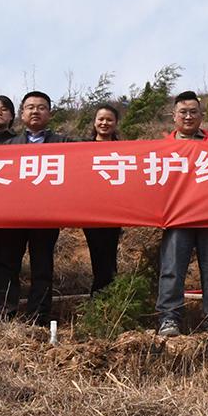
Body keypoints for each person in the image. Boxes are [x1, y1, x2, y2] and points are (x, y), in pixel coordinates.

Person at [0, 91, 73, 326]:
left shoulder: (65, 144)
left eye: (41, 107)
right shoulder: (8, 146)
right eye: (30, 107)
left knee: (42, 265)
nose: (35, 111)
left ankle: (39, 316)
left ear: (50, 113)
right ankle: (4, 314)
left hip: (46, 215)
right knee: (7, 264)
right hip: (13, 215)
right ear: (21, 113)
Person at [156, 91, 208, 336]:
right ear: (174, 116)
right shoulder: (162, 149)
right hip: (178, 217)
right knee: (172, 269)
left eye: (193, 112)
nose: (188, 116)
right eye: (183, 112)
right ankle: (169, 319)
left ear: (201, 115)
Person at [83, 104, 124, 294]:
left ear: (116, 123)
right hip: (90, 211)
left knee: (109, 255)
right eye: (101, 119)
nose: (104, 123)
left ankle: (108, 297)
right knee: (97, 253)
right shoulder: (82, 149)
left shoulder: (124, 150)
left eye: (109, 120)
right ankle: (99, 296)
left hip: (115, 211)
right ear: (94, 122)